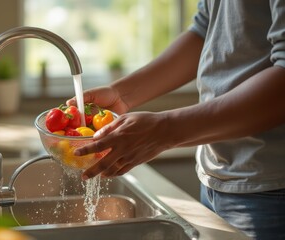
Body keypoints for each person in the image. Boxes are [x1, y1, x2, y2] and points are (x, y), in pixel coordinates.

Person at [66, 1, 285, 239]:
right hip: (219, 176)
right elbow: (205, 29)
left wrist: (164, 130)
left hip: (272, 187)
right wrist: (122, 95)